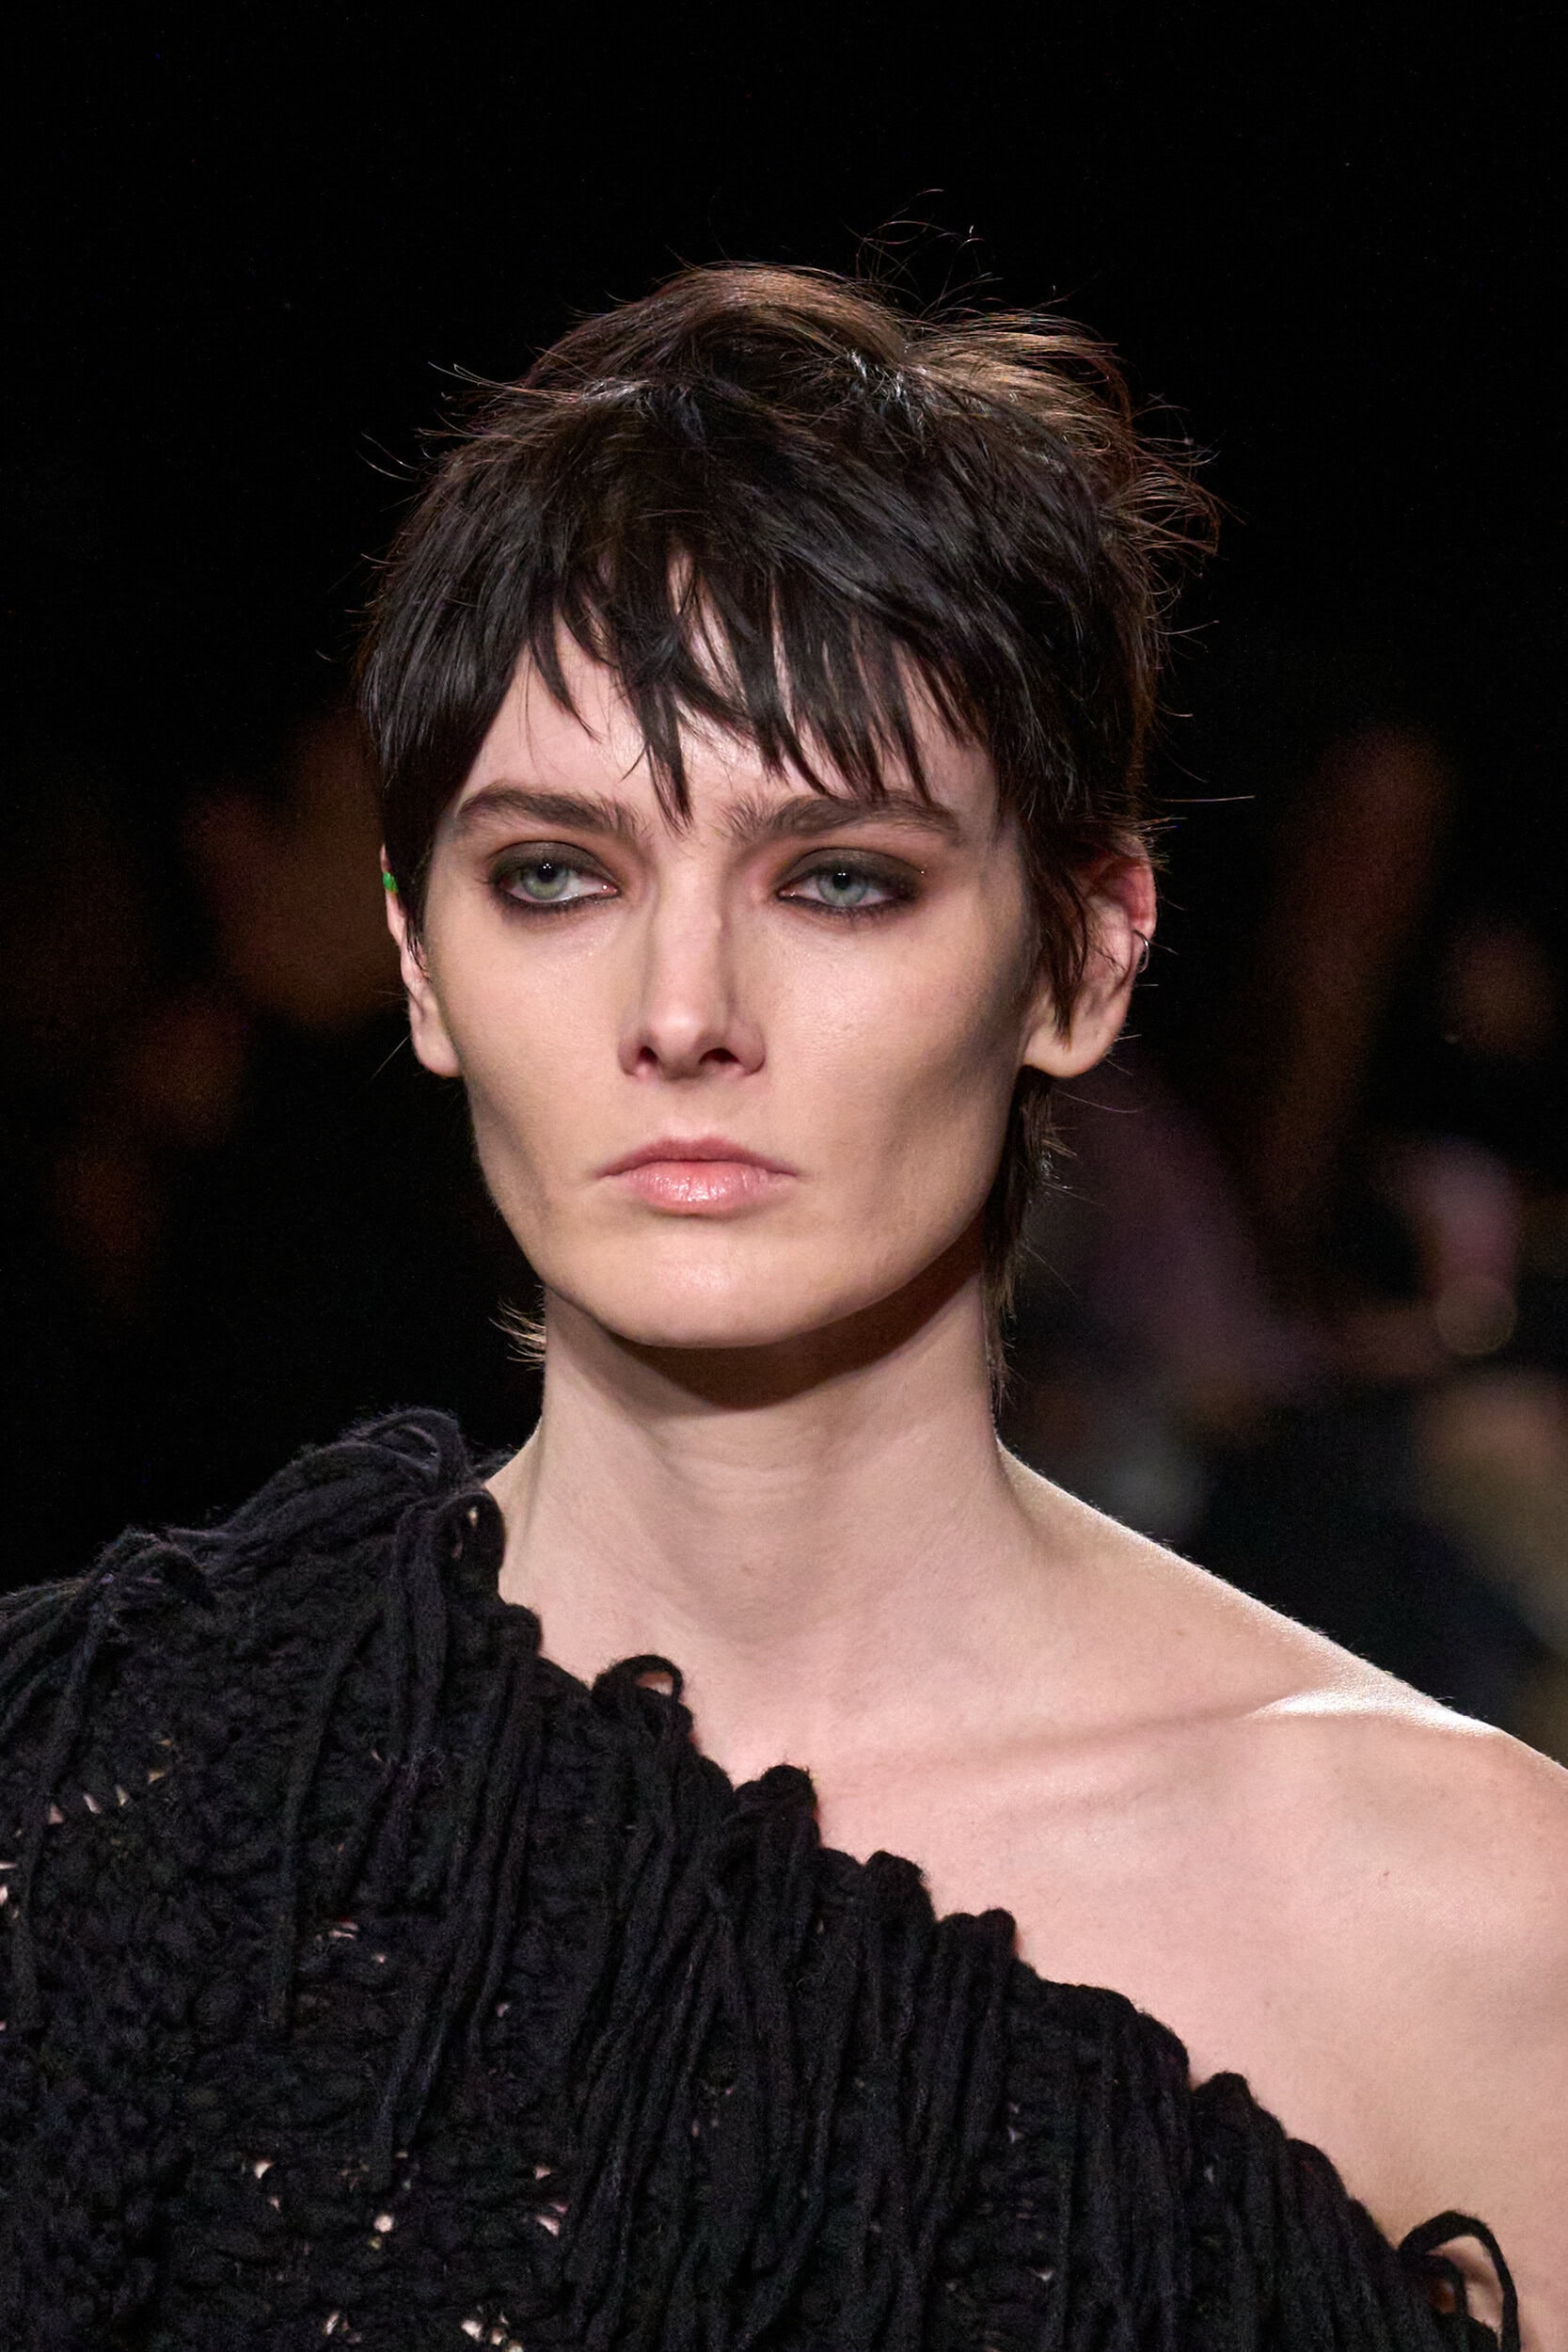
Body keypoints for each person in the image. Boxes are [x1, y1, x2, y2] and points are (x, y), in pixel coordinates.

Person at [3, 265, 1563, 2351]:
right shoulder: (125, 1798)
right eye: (555, 873)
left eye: (840, 877)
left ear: (1085, 954)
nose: (682, 1012)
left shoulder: (1469, 1922)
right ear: (421, 962)